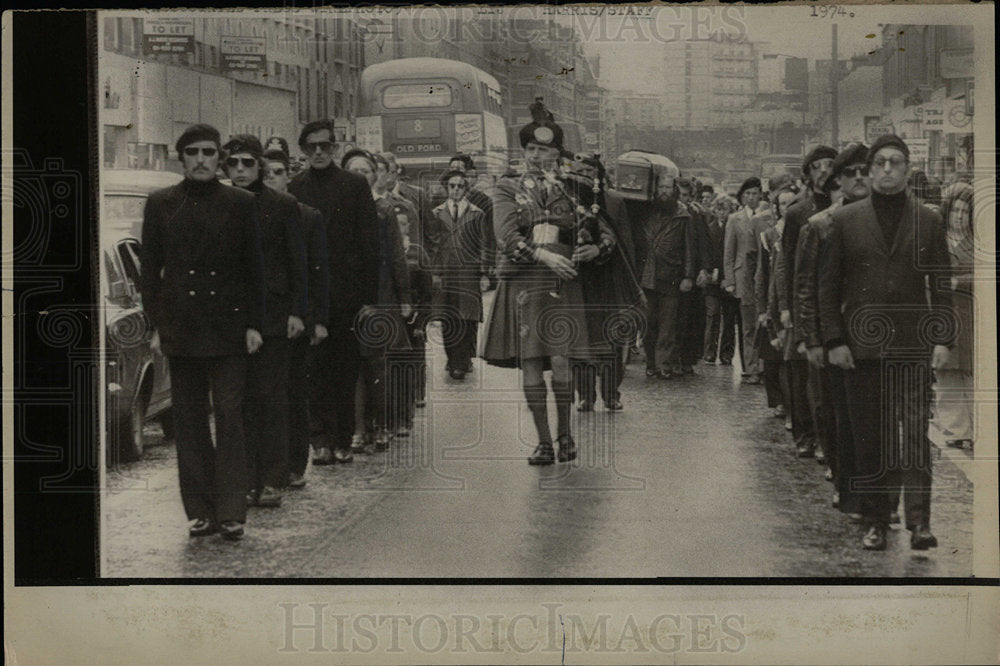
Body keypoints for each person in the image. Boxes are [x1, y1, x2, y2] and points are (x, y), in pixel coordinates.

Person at [819, 134, 953, 551]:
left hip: (912, 347)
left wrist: (943, 339)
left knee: (915, 436)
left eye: (896, 162)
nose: (888, 169)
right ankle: (875, 521)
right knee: (870, 438)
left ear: (908, 168)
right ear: (870, 169)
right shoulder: (844, 221)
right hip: (860, 349)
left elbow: (941, 284)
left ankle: (919, 523)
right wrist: (834, 340)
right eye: (881, 163)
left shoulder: (928, 220)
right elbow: (827, 288)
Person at [139, 123, 265, 541]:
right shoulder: (160, 203)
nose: (201, 159)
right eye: (192, 152)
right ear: (181, 158)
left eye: (209, 152)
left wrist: (253, 324)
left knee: (230, 417)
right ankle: (199, 510)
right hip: (182, 328)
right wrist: (157, 325)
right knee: (189, 420)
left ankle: (231, 511)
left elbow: (254, 271)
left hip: (228, 328)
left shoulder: (241, 202)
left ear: (219, 159)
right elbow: (149, 273)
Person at [481, 100, 613, 464]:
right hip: (527, 281)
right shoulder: (507, 187)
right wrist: (543, 255)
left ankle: (566, 436)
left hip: (565, 281)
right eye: (532, 149)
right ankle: (542, 442)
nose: (538, 156)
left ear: (557, 153)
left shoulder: (574, 188)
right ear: (524, 151)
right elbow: (505, 235)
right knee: (531, 361)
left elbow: (603, 231)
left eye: (546, 150)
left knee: (562, 361)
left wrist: (595, 250)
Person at [288, 119, 380, 465]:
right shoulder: (295, 188)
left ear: (334, 148)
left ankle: (342, 438)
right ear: (303, 151)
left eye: (324, 146)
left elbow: (370, 243)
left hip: (346, 295)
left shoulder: (354, 186)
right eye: (311, 147)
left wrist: (369, 299)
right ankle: (319, 441)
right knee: (312, 369)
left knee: (344, 368)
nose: (318, 152)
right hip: (310, 296)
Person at [222, 135, 307, 509]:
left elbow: (296, 263)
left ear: (259, 165)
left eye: (247, 163)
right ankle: (243, 480)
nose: (240, 170)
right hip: (230, 319)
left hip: (273, 317)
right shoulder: (220, 205)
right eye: (234, 163)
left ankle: (272, 479)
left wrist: (297, 312)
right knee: (236, 403)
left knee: (270, 399)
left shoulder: (283, 206)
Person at [797, 142, 870, 516]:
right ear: (837, 183)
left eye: (864, 171)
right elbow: (806, 286)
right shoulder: (820, 225)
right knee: (835, 414)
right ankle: (845, 483)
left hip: (873, 334)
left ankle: (877, 496)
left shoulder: (885, 219)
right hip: (833, 335)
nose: (858, 179)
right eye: (850, 173)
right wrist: (812, 339)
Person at [262, 147, 329, 489]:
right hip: (262, 320)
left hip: (295, 318)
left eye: (277, 171)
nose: (271, 177)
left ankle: (294, 464)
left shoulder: (305, 216)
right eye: (267, 171)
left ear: (288, 176)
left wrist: (316, 319)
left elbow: (316, 272)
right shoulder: (248, 211)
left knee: (293, 391)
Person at [343, 149, 411, 451]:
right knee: (352, 364)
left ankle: (382, 424)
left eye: (365, 171)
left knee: (377, 363)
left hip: (379, 294)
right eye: (352, 170)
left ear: (374, 176)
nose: (359, 176)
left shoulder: (383, 210)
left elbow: (396, 255)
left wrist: (404, 296)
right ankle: (358, 428)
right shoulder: (336, 209)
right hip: (345, 296)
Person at [571, 152, 642, 412]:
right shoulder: (567, 199)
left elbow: (625, 241)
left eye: (590, 174)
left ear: (599, 176)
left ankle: (611, 393)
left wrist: (629, 276)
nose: (584, 178)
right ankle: (585, 395)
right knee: (580, 336)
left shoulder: (613, 201)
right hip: (578, 279)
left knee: (613, 337)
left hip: (609, 277)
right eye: (579, 174)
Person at [777, 146, 835, 457]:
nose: (824, 171)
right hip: (806, 303)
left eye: (830, 165)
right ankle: (807, 434)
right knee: (806, 376)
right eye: (817, 166)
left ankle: (828, 440)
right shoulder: (798, 213)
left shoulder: (847, 207)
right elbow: (789, 265)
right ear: (808, 173)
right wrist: (788, 310)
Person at [431, 168, 493, 380]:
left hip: (469, 271)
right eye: (452, 186)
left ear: (466, 189)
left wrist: (484, 273)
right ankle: (452, 358)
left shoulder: (477, 213)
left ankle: (463, 359)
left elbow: (484, 244)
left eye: (460, 186)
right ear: (446, 188)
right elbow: (433, 245)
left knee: (468, 317)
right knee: (447, 316)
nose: (456, 190)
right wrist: (434, 272)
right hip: (446, 271)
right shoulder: (437, 213)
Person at [935, 147, 975, 451]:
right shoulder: (936, 240)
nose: (960, 215)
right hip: (946, 313)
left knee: (971, 372)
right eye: (956, 208)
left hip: (971, 311)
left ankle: (975, 426)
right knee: (947, 373)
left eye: (966, 209)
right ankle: (954, 428)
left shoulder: (978, 242)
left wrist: (959, 280)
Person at [723, 177, 771, 384]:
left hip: (764, 275)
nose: (752, 198)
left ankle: (762, 367)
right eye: (748, 194)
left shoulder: (767, 217)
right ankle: (751, 368)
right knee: (748, 324)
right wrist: (730, 280)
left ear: (761, 195)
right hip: (744, 277)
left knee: (763, 324)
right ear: (742, 197)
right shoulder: (735, 219)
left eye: (755, 193)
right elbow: (729, 252)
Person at [675, 177, 711, 375]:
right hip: (673, 273)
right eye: (680, 195)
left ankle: (687, 359)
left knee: (691, 318)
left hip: (693, 273)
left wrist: (704, 269)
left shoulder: (695, 215)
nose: (683, 199)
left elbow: (705, 243)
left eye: (686, 196)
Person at [703, 195, 739, 365]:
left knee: (730, 319)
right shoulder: (709, 229)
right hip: (712, 280)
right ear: (715, 210)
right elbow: (706, 254)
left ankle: (726, 353)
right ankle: (710, 351)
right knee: (713, 314)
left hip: (728, 279)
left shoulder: (734, 228)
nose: (722, 213)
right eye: (719, 209)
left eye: (725, 209)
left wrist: (726, 277)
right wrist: (711, 271)